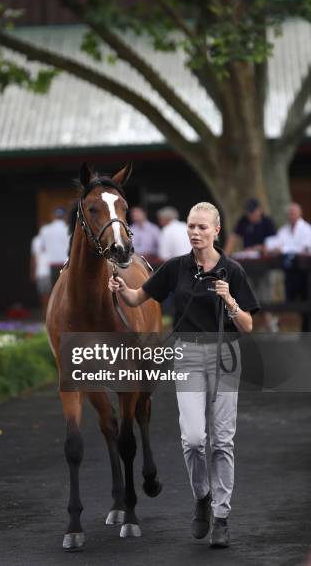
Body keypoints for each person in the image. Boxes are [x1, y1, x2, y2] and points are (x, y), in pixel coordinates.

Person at [109, 201, 259, 548]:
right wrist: (121, 290)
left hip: (225, 355)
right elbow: (137, 298)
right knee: (193, 439)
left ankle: (221, 516)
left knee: (222, 442)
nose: (195, 232)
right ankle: (202, 496)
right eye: (191, 226)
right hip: (188, 355)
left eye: (202, 227)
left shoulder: (233, 270)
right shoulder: (176, 268)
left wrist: (231, 302)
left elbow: (248, 326)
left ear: (216, 231)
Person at [225, 198, 277, 331]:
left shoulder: (268, 223)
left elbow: (274, 245)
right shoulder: (244, 220)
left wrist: (257, 248)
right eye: (249, 212)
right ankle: (247, 325)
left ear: (259, 210)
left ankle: (269, 323)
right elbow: (233, 237)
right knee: (247, 296)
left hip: (265, 265)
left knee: (265, 295)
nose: (250, 215)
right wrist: (225, 256)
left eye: (253, 212)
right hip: (248, 265)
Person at [265, 202, 311, 331]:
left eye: (294, 212)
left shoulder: (307, 229)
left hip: (305, 274)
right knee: (290, 302)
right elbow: (273, 244)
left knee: (305, 302)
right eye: (290, 213)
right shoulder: (283, 230)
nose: (291, 215)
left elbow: (304, 248)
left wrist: (284, 248)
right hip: (289, 273)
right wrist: (276, 249)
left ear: (299, 213)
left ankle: (306, 331)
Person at [36, 208, 69, 287]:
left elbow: (42, 248)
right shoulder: (69, 228)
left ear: (53, 216)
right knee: (65, 289)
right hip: (66, 264)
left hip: (52, 265)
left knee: (54, 290)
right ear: (64, 216)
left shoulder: (45, 230)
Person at [30, 232, 51, 320]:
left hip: (52, 271)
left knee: (52, 295)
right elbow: (33, 257)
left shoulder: (52, 238)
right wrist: (32, 272)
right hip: (41, 272)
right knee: (43, 296)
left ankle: (50, 315)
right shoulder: (36, 240)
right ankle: (45, 315)